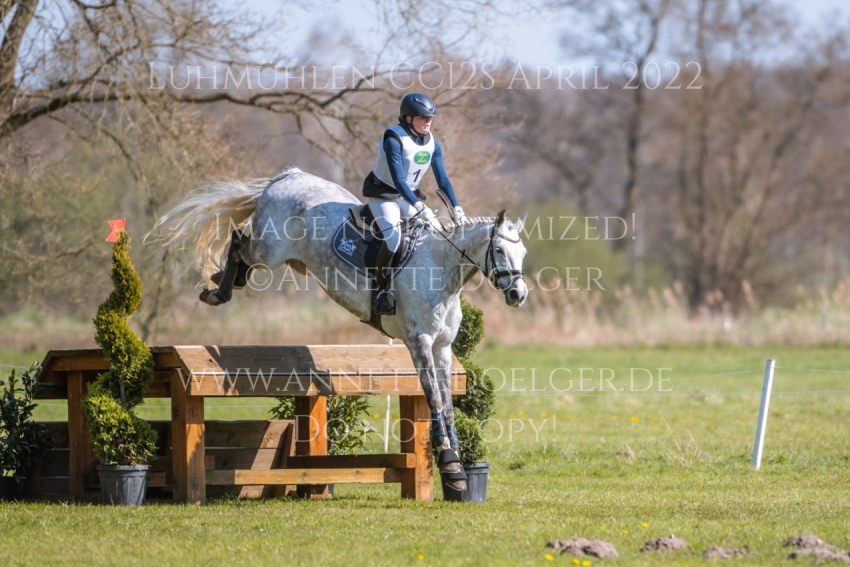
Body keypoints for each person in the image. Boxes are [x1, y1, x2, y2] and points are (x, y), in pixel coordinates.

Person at [362, 93, 467, 315]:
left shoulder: (432, 144)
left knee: (436, 232)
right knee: (394, 238)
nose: (428, 121)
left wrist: (456, 207)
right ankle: (381, 291)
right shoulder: (393, 139)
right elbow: (399, 181)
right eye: (422, 118)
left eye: (430, 117)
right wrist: (419, 205)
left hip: (407, 197)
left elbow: (443, 180)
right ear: (408, 118)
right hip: (384, 196)